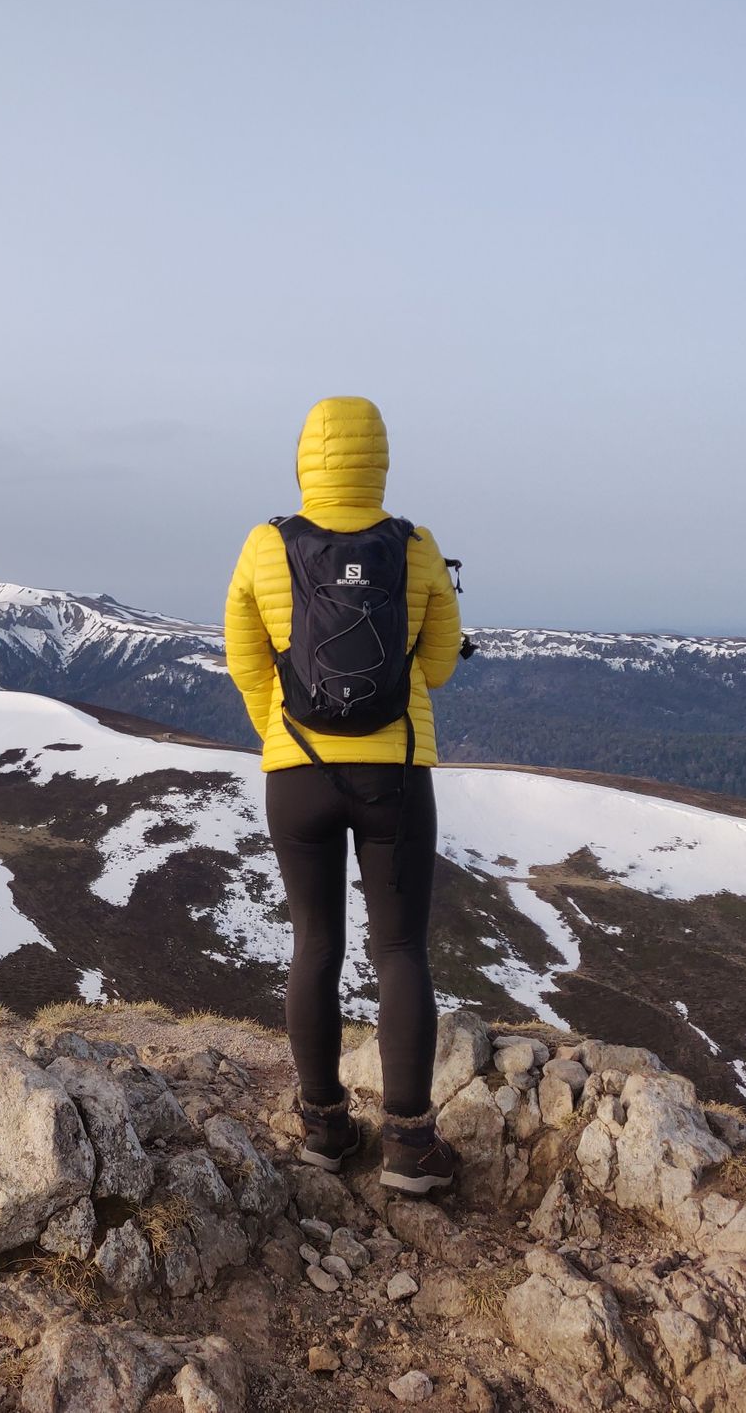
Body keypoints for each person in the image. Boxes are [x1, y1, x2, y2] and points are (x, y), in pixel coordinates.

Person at [223, 395, 463, 1194]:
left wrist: (279, 730)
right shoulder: (417, 548)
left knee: (313, 944)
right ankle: (409, 1146)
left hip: (296, 775)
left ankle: (324, 1129)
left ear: (304, 461)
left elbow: (243, 652)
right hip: (394, 770)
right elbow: (436, 668)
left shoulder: (265, 546)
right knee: (399, 952)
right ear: (380, 462)